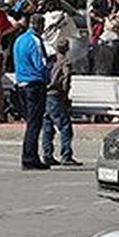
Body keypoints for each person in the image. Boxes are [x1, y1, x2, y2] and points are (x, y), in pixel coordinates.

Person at [12, 14, 49, 170]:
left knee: (30, 123)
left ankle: (30, 155)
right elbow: (40, 64)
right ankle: (29, 157)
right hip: (34, 84)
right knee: (34, 123)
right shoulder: (35, 41)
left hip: (21, 83)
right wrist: (48, 75)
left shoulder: (19, 40)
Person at [40, 39, 80, 167]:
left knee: (47, 126)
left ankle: (47, 154)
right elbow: (66, 80)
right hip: (56, 95)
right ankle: (66, 155)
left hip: (46, 95)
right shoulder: (65, 63)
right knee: (65, 126)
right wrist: (65, 94)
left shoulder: (50, 62)